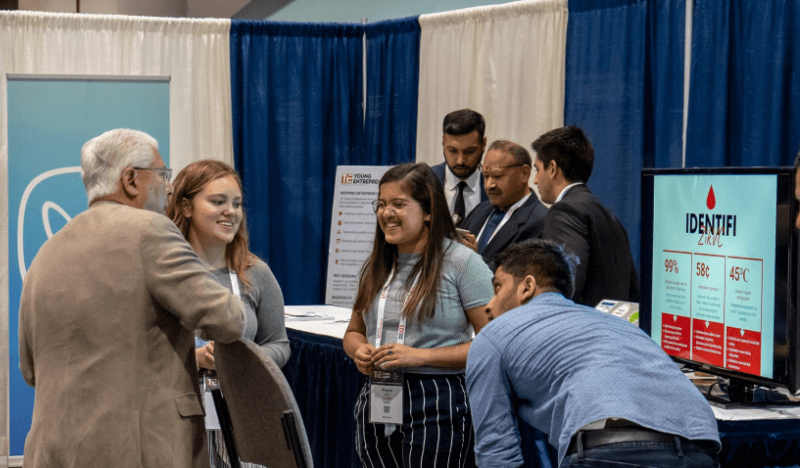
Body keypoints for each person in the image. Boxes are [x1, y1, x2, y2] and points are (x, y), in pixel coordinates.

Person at [18, 129, 246, 468]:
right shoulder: (150, 232)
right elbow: (229, 319)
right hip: (134, 451)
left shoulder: (45, 253)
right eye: (162, 174)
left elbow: (30, 370)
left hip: (49, 452)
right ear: (130, 180)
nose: (169, 188)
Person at [466, 239, 721, 468]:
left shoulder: (492, 336)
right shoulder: (618, 325)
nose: (489, 305)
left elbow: (496, 451)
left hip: (609, 449)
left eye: (497, 287)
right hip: (701, 444)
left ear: (527, 287)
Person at [344, 163, 494, 468]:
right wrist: (359, 351)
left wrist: (419, 357)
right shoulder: (376, 265)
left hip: (438, 396)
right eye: (382, 204)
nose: (386, 213)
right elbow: (354, 332)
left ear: (428, 210)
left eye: (399, 204)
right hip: (379, 391)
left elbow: (494, 345)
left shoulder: (463, 263)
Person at [167, 160, 291, 468]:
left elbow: (279, 344)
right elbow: (143, 351)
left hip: (244, 416)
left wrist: (243, 360)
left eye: (236, 204)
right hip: (176, 416)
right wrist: (195, 359)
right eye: (217, 201)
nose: (230, 212)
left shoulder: (256, 273)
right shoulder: (165, 273)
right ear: (185, 207)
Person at [532, 125, 639, 307]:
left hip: (577, 332)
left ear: (552, 168)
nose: (535, 180)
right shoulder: (608, 215)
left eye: (537, 169)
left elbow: (564, 288)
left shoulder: (564, 211)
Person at [460, 139, 547, 266]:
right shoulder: (480, 210)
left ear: (524, 173)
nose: (489, 185)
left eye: (497, 176)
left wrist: (473, 261)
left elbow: (517, 277)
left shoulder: (541, 221)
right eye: (485, 176)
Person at [430, 109, 489, 226]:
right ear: (443, 142)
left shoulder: (496, 188)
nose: (460, 160)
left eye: (469, 151)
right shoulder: (424, 180)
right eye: (452, 151)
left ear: (484, 144)